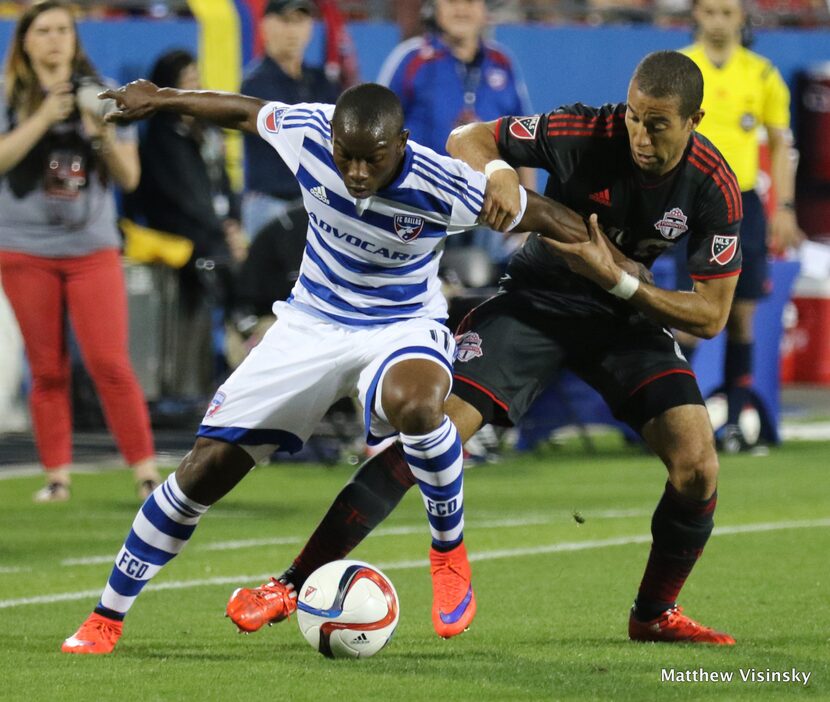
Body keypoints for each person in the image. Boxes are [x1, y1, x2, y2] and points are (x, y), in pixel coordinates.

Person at [58, 79, 631, 654]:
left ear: (401, 144)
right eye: (346, 157)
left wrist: (618, 267)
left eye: (372, 159)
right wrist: (164, 97)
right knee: (203, 470)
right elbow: (246, 112)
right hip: (308, 323)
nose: (356, 172)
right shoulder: (309, 133)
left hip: (400, 327)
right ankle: (107, 617)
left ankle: (448, 553)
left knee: (418, 404)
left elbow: (550, 217)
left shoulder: (446, 185)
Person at [229, 50, 743, 646]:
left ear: (695, 120)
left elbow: (711, 315)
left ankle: (653, 614)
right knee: (428, 436)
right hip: (535, 303)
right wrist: (499, 172)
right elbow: (468, 136)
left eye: (657, 124)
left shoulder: (714, 187)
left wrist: (620, 281)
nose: (639, 134)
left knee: (698, 465)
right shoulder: (586, 129)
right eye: (633, 116)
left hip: (625, 319)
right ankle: (291, 583)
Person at [0, 1, 160, 503]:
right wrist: (44, 115)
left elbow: (130, 177)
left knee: (109, 362)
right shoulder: (7, 97)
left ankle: (147, 473)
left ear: (76, 38)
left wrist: (103, 137)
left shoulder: (106, 93)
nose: (53, 40)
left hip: (91, 248)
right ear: (24, 41)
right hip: (24, 247)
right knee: (46, 368)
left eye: (62, 30)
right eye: (42, 31)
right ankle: (57, 477)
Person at [679, 0, 803, 448]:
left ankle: (734, 423)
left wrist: (784, 207)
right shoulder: (679, 68)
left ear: (741, 19)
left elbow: (780, 140)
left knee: (742, 316)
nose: (717, 22)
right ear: (696, 15)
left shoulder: (762, 73)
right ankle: (669, 419)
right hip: (690, 201)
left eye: (726, 13)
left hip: (744, 203)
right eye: (709, 12)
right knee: (687, 316)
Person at [378, 0, 534, 267]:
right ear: (435, 8)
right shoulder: (411, 59)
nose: (461, 10)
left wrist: (527, 219)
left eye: (471, 2)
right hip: (421, 208)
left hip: (485, 213)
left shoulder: (502, 63)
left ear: (484, 10)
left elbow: (525, 143)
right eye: (452, 2)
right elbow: (379, 130)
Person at [132, 49, 247, 397]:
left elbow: (225, 181)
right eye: (185, 82)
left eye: (196, 79)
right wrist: (221, 231)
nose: (193, 87)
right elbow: (182, 197)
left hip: (216, 231)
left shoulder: (207, 130)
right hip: (183, 235)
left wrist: (233, 223)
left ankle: (244, 344)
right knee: (223, 268)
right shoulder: (160, 137)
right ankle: (234, 347)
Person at [240, 0, 340, 240]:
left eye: (300, 21)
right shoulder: (256, 83)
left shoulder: (320, 81)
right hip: (271, 205)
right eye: (285, 21)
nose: (293, 30)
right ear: (266, 26)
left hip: (316, 206)